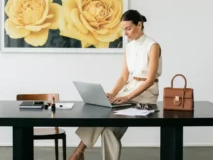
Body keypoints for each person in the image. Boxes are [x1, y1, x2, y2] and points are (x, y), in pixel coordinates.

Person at [68, 9, 162, 160]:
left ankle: (78, 152)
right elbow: (124, 77)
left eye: (128, 28)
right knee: (106, 123)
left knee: (106, 119)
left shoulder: (153, 46)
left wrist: (126, 98)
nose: (125, 33)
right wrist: (112, 93)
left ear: (139, 25)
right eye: (123, 29)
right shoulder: (129, 47)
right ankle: (79, 152)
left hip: (147, 93)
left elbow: (150, 80)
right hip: (129, 88)